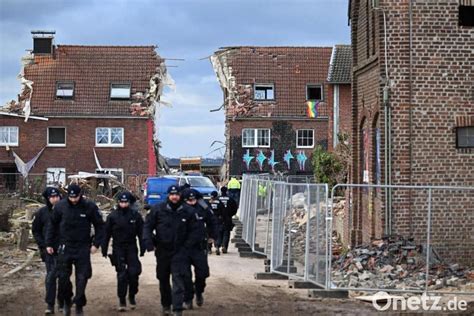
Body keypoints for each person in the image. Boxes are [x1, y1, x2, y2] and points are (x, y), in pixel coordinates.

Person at [45, 184, 104, 316]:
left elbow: (100, 226)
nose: (74, 200)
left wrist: (96, 244)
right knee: (63, 279)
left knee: (82, 278)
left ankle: (79, 304)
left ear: (80, 194)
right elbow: (52, 225)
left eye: (76, 197)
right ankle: (67, 301)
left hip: (82, 247)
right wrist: (48, 243)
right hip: (65, 246)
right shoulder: (61, 207)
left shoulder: (89, 206)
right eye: (71, 197)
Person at [143, 185, 193, 316]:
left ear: (180, 196)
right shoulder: (158, 210)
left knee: (178, 280)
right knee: (163, 279)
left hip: (180, 251)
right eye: (172, 194)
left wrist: (188, 246)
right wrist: (149, 242)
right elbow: (147, 226)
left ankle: (177, 309)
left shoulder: (187, 211)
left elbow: (195, 230)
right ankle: (166, 305)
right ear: (168, 195)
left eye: (177, 194)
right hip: (163, 250)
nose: (174, 197)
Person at [102, 191, 145, 312]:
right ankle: (122, 299)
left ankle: (132, 295)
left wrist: (143, 247)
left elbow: (141, 233)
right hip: (118, 248)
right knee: (121, 275)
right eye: (121, 202)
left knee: (134, 273)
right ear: (118, 202)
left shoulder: (135, 216)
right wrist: (104, 248)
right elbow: (106, 234)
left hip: (131, 247)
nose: (124, 204)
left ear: (129, 203)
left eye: (126, 202)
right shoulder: (112, 216)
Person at [181, 189, 217, 309]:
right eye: (188, 200)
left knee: (203, 273)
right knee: (185, 275)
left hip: (199, 246)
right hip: (184, 247)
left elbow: (212, 221)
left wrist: (212, 236)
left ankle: (199, 291)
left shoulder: (203, 207)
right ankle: (187, 298)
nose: (191, 202)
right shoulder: (179, 209)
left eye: (193, 200)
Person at [32, 187, 63, 315]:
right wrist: (43, 246)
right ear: (48, 198)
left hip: (64, 249)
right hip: (48, 250)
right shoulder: (41, 213)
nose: (55, 199)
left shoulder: (65, 211)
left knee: (63, 277)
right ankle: (50, 305)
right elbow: (36, 231)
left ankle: (62, 302)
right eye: (52, 197)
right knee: (51, 276)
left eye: (57, 196)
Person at [218, 187, 238, 254]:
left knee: (219, 232)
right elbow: (235, 208)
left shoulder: (217, 199)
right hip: (228, 218)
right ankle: (224, 246)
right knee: (226, 233)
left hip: (219, 218)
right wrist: (230, 215)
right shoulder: (230, 199)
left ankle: (218, 245)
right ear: (227, 191)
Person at [207, 191, 225, 255]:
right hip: (218, 220)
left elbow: (206, 211)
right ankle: (217, 247)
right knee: (218, 234)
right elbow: (223, 212)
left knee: (209, 234)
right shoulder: (220, 202)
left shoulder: (208, 202)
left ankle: (209, 249)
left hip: (210, 220)